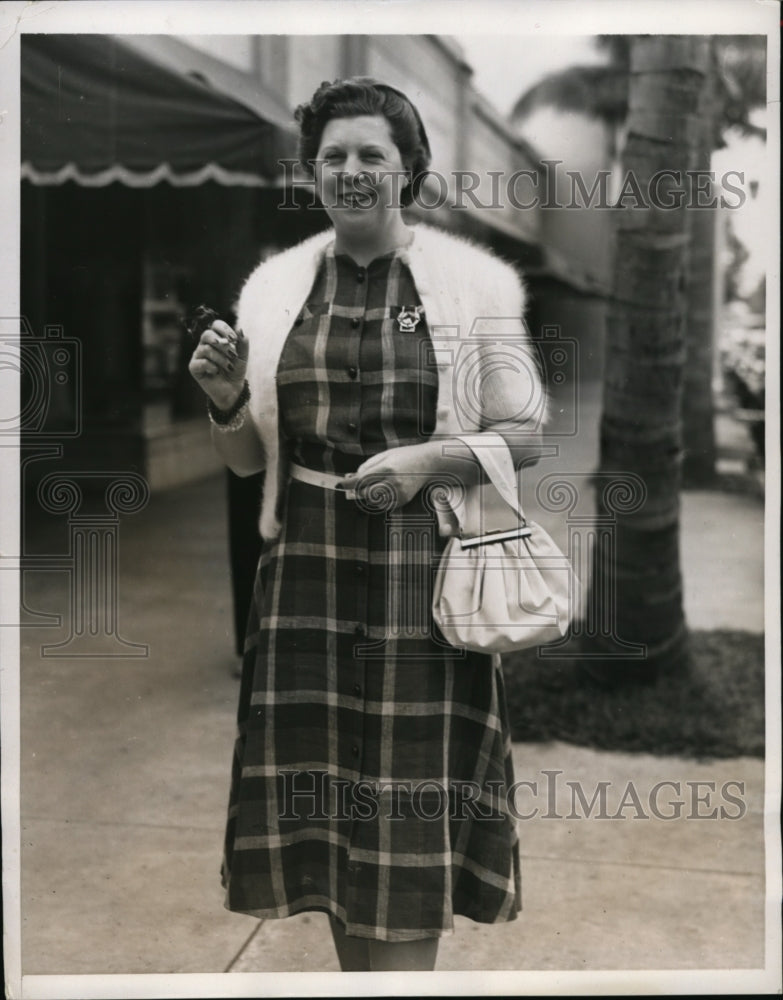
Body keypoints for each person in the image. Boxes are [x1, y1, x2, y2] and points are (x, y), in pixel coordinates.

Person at [188, 77, 546, 972]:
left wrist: (430, 460)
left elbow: (525, 434)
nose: (351, 172)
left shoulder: (473, 284)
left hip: (419, 583)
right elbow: (245, 461)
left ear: (408, 170)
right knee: (331, 839)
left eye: (371, 156)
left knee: (404, 826)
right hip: (304, 576)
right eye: (333, 156)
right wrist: (227, 400)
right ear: (312, 172)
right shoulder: (273, 288)